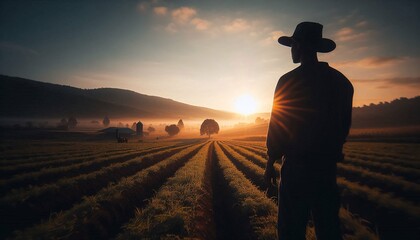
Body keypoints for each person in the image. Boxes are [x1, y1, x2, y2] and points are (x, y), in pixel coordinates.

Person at [264, 22, 353, 240]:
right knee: (329, 230)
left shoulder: (288, 81)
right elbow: (343, 126)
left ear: (300, 46)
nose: (291, 50)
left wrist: (270, 162)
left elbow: (278, 125)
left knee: (290, 231)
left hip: (296, 170)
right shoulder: (341, 83)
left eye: (293, 45)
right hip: (325, 171)